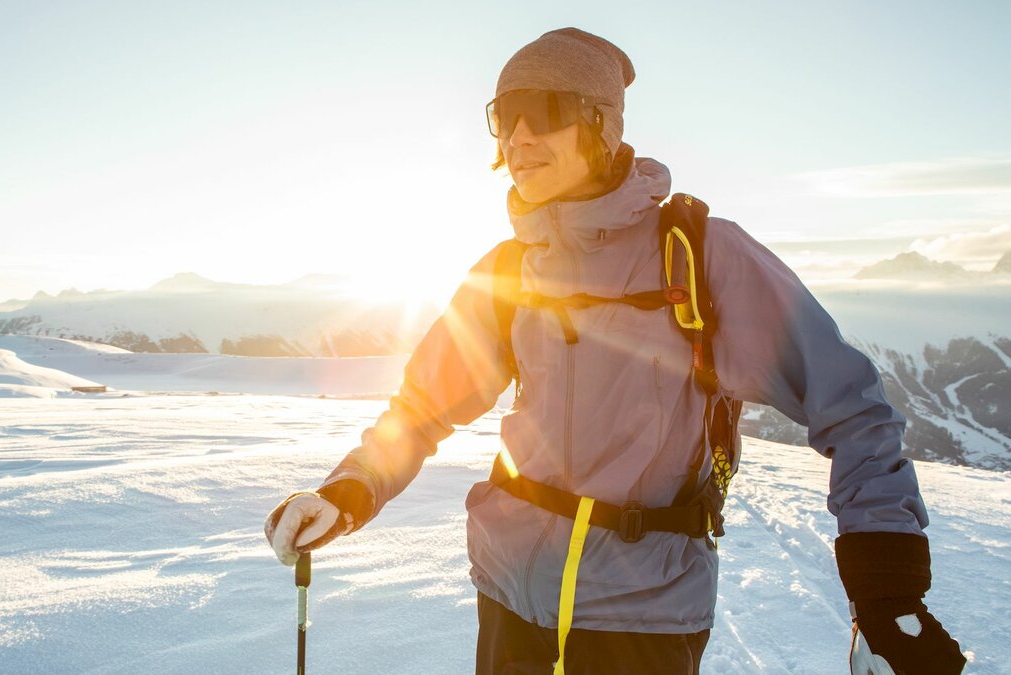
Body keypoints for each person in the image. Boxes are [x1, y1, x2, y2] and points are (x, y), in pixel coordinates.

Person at [264, 27, 965, 674]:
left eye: (544, 110)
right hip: (507, 600)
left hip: (641, 619)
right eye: (504, 115)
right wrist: (349, 489)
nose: (520, 136)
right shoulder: (507, 272)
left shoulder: (698, 255)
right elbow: (421, 408)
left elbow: (853, 408)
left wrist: (887, 592)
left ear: (600, 123)